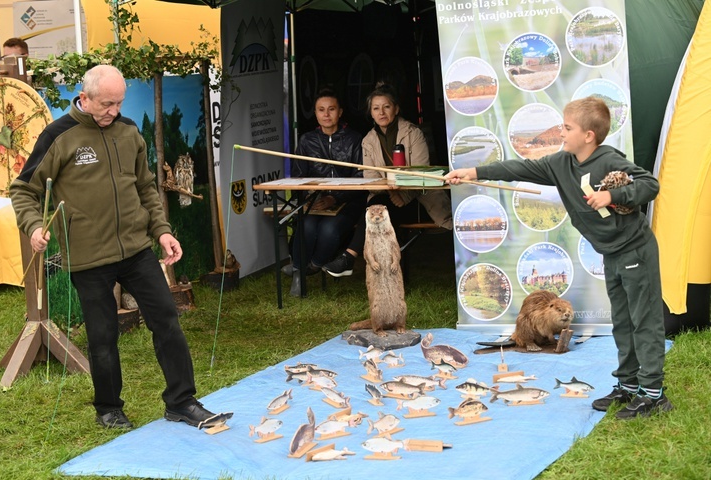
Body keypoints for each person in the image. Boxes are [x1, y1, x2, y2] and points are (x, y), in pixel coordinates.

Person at [10, 65, 225, 430]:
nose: (114, 110)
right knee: (103, 335)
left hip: (137, 249)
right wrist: (33, 226)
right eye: (107, 103)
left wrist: (162, 231)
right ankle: (108, 408)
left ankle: (182, 401)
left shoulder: (128, 131)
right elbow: (23, 190)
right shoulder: (58, 136)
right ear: (85, 96)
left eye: (119, 102)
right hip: (89, 257)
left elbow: (145, 188)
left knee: (167, 321)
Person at [445, 96, 672, 419]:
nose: (561, 133)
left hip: (636, 251)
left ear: (588, 136)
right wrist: (473, 171)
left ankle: (653, 394)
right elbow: (518, 168)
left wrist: (611, 194)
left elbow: (649, 184)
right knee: (622, 321)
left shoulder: (608, 160)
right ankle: (629, 384)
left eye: (567, 128)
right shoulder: (561, 163)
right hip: (612, 253)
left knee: (644, 321)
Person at [323, 84, 452, 277]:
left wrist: (405, 196)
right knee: (377, 207)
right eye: (376, 108)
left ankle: (349, 257)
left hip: (420, 201)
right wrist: (393, 192)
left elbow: (422, 173)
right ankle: (351, 258)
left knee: (376, 209)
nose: (381, 112)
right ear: (371, 113)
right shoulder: (368, 140)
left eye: (386, 107)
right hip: (388, 200)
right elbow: (370, 179)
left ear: (396, 109)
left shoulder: (413, 133)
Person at [286, 88, 366, 295]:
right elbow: (298, 177)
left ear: (340, 112)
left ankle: (312, 266)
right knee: (307, 227)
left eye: (331, 109)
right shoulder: (306, 140)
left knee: (329, 230)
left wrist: (335, 197)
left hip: (349, 201)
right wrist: (313, 197)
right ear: (315, 113)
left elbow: (361, 177)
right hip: (316, 202)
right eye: (321, 110)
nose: (326, 114)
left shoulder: (355, 139)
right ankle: (298, 271)